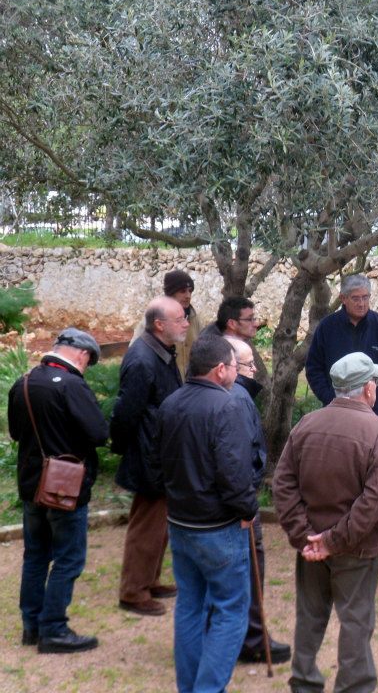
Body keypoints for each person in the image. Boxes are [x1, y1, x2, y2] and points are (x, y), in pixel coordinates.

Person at [273, 352, 378, 693]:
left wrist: (305, 536)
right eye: (375, 381)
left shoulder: (307, 424)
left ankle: (304, 682)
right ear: (367, 388)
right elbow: (373, 502)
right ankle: (353, 688)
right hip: (354, 550)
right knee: (356, 621)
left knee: (309, 617)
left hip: (311, 545)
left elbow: (282, 484)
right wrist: (331, 541)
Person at [152, 335, 259, 693]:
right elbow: (234, 472)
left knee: (190, 607)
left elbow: (158, 463)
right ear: (221, 370)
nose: (236, 372)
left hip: (181, 523)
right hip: (218, 527)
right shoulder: (226, 407)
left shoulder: (171, 403)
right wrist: (247, 509)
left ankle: (192, 687)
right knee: (230, 612)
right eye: (233, 365)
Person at [9, 328, 108, 653]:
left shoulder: (22, 383)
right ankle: (54, 630)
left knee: (35, 556)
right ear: (82, 355)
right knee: (68, 559)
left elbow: (14, 432)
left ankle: (32, 626)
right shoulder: (72, 386)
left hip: (31, 483)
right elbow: (97, 433)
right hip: (66, 486)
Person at [112, 295, 188, 616]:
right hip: (149, 456)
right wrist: (128, 449)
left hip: (161, 453)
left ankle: (150, 579)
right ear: (160, 325)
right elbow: (126, 413)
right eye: (180, 319)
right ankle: (133, 591)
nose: (186, 323)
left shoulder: (162, 353)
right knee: (147, 525)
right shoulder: (142, 359)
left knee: (160, 525)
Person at [223, 337, 288, 665]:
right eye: (248, 365)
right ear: (228, 365)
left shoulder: (186, 396)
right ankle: (250, 638)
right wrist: (248, 506)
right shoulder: (237, 400)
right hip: (237, 503)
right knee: (248, 568)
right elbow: (244, 458)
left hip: (199, 508)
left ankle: (234, 635)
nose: (252, 372)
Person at [305, 274, 378, 419]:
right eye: (355, 298)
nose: (361, 303)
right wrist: (330, 398)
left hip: (373, 412)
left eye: (365, 297)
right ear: (343, 298)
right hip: (335, 412)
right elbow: (314, 368)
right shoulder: (327, 327)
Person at [134, 270, 202, 381]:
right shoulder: (154, 317)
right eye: (183, 291)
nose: (188, 296)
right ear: (171, 293)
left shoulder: (194, 318)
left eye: (190, 291)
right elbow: (137, 353)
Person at [200, 295, 267, 384]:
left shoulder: (219, 340)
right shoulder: (215, 352)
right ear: (232, 324)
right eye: (249, 319)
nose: (256, 324)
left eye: (254, 318)